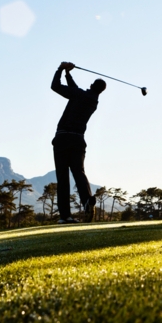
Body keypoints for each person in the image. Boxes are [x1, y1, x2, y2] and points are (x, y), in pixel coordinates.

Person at [51, 61, 106, 224]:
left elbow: (55, 86)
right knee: (79, 172)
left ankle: (65, 216)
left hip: (62, 138)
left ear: (91, 85)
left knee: (62, 176)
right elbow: (75, 90)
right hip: (78, 139)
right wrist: (68, 74)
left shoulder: (79, 94)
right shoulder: (93, 100)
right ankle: (87, 201)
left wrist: (60, 69)